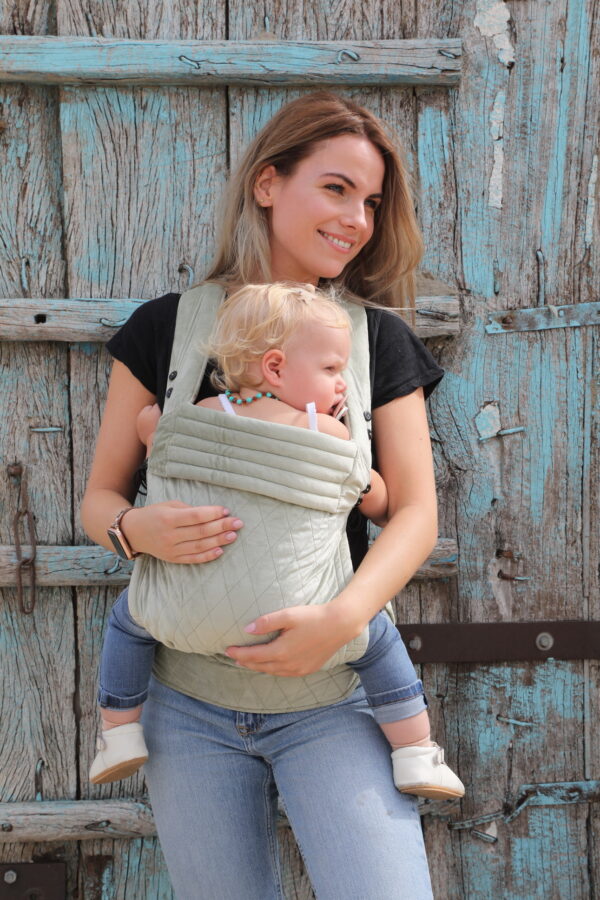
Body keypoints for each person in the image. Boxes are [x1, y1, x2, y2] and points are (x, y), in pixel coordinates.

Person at [81, 91, 453, 899]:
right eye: (336, 188)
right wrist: (134, 529)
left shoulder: (374, 339)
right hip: (185, 705)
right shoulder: (166, 330)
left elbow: (414, 513)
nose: (357, 218)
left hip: (336, 697)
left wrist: (342, 622)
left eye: (372, 201)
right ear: (266, 184)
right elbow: (99, 499)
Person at [88, 282, 464, 806]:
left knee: (130, 619)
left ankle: (118, 732)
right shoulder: (327, 433)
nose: (342, 385)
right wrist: (363, 473)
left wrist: (150, 462)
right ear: (276, 368)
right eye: (333, 370)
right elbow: (378, 499)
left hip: (191, 618)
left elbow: (153, 429)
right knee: (376, 638)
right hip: (306, 616)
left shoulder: (202, 413)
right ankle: (417, 749)